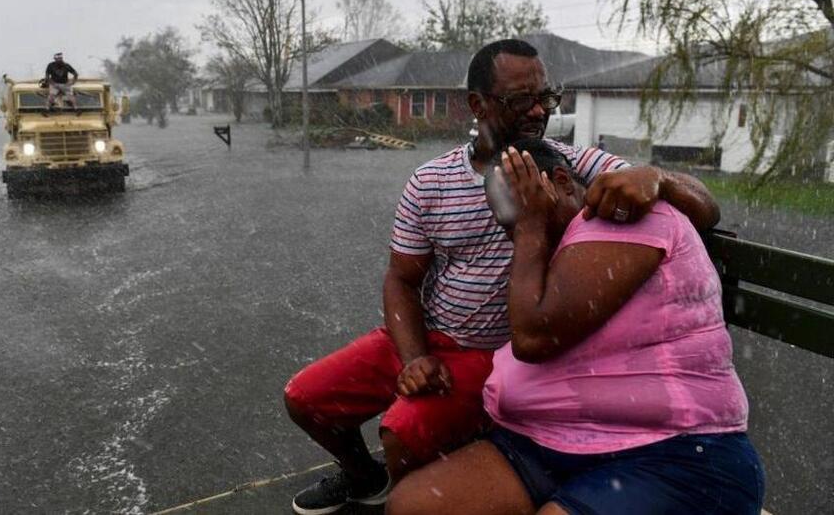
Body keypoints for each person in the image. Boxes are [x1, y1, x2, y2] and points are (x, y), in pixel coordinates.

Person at [282, 38, 721, 515]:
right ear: (478, 105)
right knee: (306, 399)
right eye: (521, 99)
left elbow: (705, 207)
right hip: (425, 334)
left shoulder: (569, 165)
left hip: (490, 353)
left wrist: (658, 177)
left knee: (403, 431)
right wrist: (414, 357)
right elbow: (401, 280)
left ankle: (413, 485)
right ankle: (366, 479)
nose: (539, 110)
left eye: (546, 97)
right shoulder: (430, 181)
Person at [385, 140, 763, 515]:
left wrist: (530, 227)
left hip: (671, 450)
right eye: (508, 226)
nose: (514, 236)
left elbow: (534, 336)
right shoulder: (556, 246)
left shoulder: (624, 216)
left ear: (563, 182)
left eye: (522, 211)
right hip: (544, 443)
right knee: (412, 506)